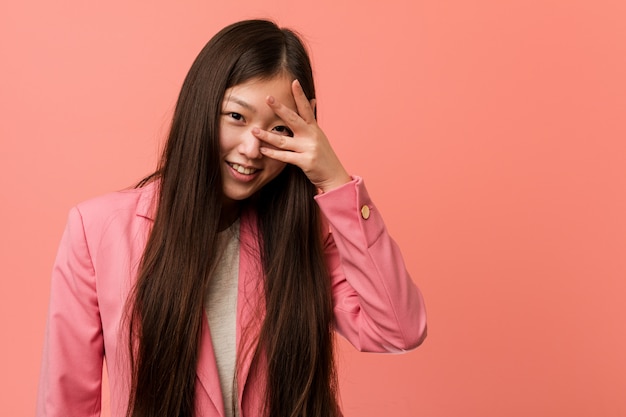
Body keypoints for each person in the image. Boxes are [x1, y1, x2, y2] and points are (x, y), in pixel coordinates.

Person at [36, 19, 427, 417]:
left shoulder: (306, 234)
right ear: (201, 108)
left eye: (278, 129)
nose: (252, 149)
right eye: (237, 117)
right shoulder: (98, 230)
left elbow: (398, 328)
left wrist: (335, 181)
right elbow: (66, 403)